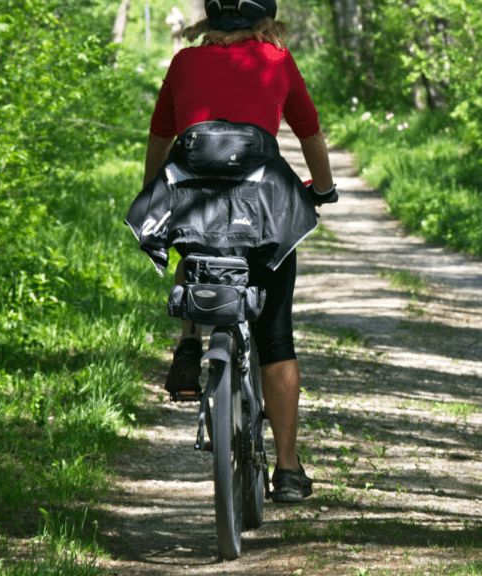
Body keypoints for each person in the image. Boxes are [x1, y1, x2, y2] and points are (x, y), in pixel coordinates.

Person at [140, 0, 336, 503]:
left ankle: (189, 341)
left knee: (193, 244)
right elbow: (308, 131)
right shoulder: (275, 58)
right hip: (262, 212)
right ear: (263, 18)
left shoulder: (185, 61)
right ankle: (288, 470)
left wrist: (153, 190)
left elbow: (161, 135)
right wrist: (323, 189)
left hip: (195, 206)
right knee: (276, 337)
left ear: (210, 18)